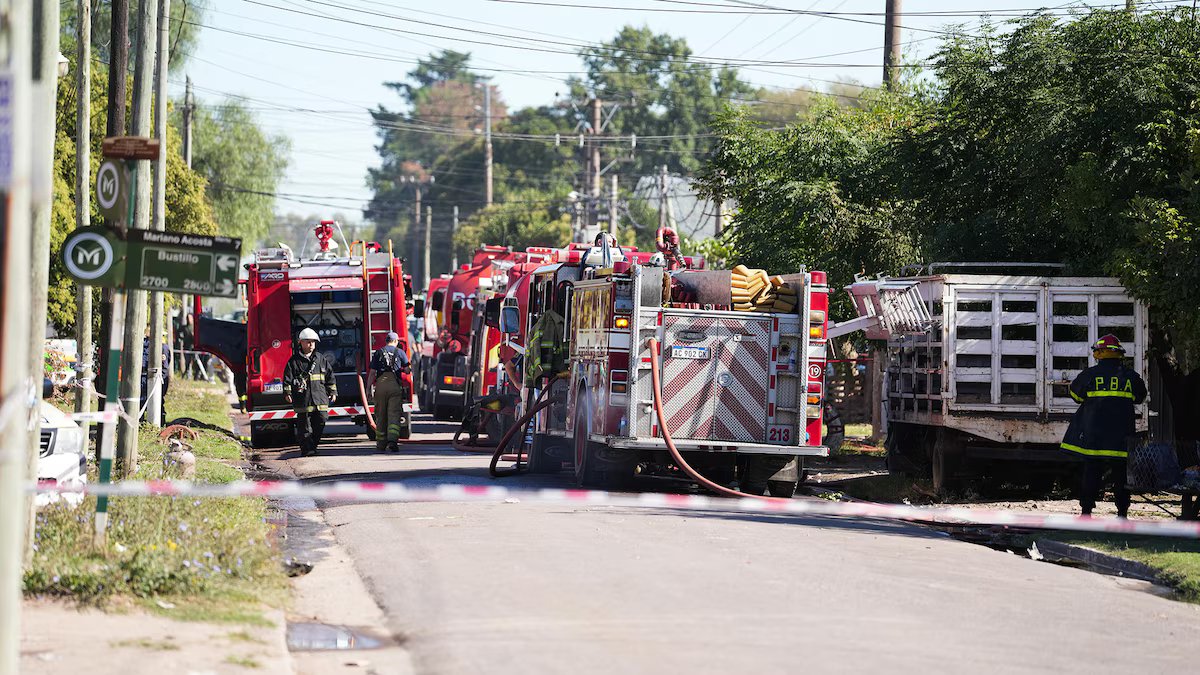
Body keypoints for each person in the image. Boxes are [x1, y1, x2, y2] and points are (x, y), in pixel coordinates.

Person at [1060, 334, 1147, 518]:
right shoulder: (1130, 377)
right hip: (1121, 437)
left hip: (1095, 437)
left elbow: (1076, 396)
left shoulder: (1089, 375)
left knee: (1091, 473)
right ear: (1118, 354)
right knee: (1121, 476)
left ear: (1100, 353)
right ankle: (1122, 513)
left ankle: (1086, 513)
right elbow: (1140, 396)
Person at [284, 328, 338, 457]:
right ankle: (307, 449)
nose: (311, 345)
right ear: (301, 343)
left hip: (320, 398)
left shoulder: (321, 359)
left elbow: (330, 376)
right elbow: (287, 378)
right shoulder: (294, 361)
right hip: (303, 399)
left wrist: (333, 391)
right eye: (308, 342)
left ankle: (313, 445)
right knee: (304, 427)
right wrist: (287, 393)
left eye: (313, 342)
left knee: (321, 420)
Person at [370, 331, 410, 453]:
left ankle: (381, 444)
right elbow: (408, 370)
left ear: (386, 341)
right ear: (396, 341)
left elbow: (372, 373)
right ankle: (392, 441)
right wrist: (404, 368)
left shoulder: (378, 352)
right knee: (394, 414)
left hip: (380, 386)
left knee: (380, 415)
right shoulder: (400, 352)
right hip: (394, 386)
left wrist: (368, 389)